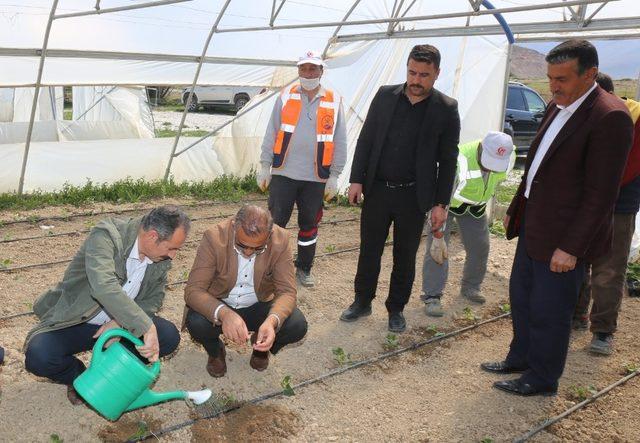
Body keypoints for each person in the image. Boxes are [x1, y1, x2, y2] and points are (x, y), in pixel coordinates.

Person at [481, 40, 633, 397]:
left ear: (590, 74)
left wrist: (571, 247)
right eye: (550, 78)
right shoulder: (557, 104)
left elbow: (601, 195)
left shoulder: (609, 117)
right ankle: (520, 357)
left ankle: (542, 377)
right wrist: (518, 211)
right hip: (535, 223)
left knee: (550, 310)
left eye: (562, 79)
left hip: (564, 237)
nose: (554, 86)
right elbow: (537, 164)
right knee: (523, 297)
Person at [339, 44, 461, 333]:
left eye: (424, 75)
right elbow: (366, 139)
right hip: (378, 190)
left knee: (404, 256)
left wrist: (441, 203)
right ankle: (362, 301)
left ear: (436, 74)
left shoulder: (446, 108)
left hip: (413, 196)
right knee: (369, 251)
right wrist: (356, 179)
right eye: (412, 73)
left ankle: (396, 308)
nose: (416, 80)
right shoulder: (385, 96)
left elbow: (448, 160)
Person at [24, 206, 189, 405]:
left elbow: (153, 298)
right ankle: (79, 378)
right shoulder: (107, 236)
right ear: (153, 236)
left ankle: (111, 375)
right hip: (78, 320)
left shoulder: (159, 259)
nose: (172, 256)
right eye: (171, 248)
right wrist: (145, 326)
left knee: (168, 337)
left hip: (118, 325)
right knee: (40, 356)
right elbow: (103, 286)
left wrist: (120, 323)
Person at [257, 50, 348, 288]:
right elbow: (272, 131)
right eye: (304, 69)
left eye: (313, 69)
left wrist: (335, 176)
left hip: (316, 177)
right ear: (298, 71)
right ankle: (269, 268)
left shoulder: (333, 100)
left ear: (321, 71)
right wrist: (266, 165)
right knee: (276, 223)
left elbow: (340, 139)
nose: (308, 73)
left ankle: (304, 268)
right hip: (284, 173)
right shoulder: (286, 96)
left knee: (310, 224)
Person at [183, 205, 307, 377]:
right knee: (196, 322)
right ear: (234, 226)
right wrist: (224, 313)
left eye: (258, 248)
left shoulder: (281, 240)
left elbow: (287, 291)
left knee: (296, 325)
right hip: (221, 302)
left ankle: (261, 347)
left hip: (259, 303)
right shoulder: (214, 237)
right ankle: (215, 351)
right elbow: (193, 290)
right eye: (242, 245)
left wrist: (271, 322)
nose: (248, 252)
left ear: (269, 235)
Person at [573, 72, 640, 355]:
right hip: (587, 202)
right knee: (576, 261)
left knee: (609, 269)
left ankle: (602, 331)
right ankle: (576, 316)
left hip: (619, 206)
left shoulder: (631, 120)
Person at [422, 132, 515, 317]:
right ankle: (432, 296)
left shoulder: (506, 157)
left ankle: (471, 287)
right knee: (438, 247)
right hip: (445, 205)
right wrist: (438, 229)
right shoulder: (459, 160)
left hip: (475, 207)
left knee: (480, 247)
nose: (491, 168)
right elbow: (443, 192)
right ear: (481, 148)